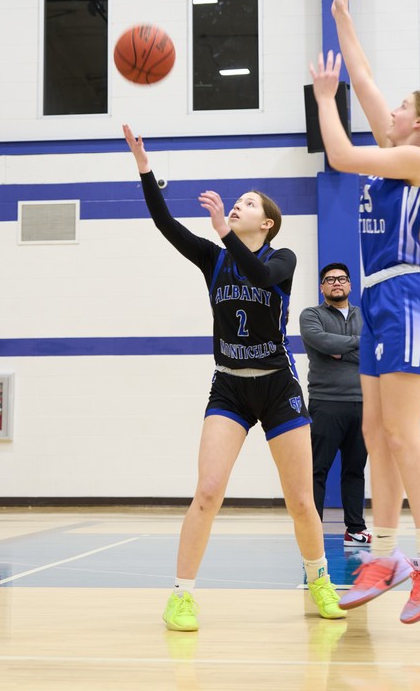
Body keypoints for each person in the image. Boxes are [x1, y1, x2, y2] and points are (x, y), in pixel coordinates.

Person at [122, 124, 346, 631]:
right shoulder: (213, 257)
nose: (238, 205)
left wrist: (224, 229)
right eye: (237, 202)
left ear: (266, 223)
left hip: (278, 386)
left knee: (301, 500)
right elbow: (165, 224)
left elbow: (263, 278)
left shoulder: (282, 260)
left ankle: (320, 580)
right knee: (208, 490)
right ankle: (182, 595)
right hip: (229, 385)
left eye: (248, 203)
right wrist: (145, 169)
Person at [308, 0, 420, 625]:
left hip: (410, 296)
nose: (390, 110)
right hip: (377, 299)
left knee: (402, 432)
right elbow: (366, 78)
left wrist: (324, 97)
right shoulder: (399, 149)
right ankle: (385, 554)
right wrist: (343, 19)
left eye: (401, 107)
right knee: (376, 433)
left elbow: (340, 155)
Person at [299, 262, 370, 548]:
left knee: (355, 469)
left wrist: (343, 348)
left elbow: (377, 350)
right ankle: (311, 529)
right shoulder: (311, 315)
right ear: (322, 287)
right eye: (330, 280)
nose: (336, 283)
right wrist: (356, 344)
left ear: (350, 285)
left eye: (342, 279)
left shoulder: (367, 316)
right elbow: (323, 343)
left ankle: (355, 529)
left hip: (363, 403)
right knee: (317, 470)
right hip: (325, 403)